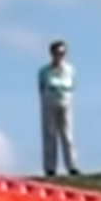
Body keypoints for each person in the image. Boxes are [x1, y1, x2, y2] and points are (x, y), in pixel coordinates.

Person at [38, 39, 80, 177]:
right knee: (49, 134)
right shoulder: (44, 71)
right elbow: (41, 87)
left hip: (65, 100)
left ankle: (72, 166)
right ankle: (50, 168)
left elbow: (73, 86)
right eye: (57, 53)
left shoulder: (70, 70)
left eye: (62, 53)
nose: (59, 56)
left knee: (67, 134)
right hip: (49, 100)